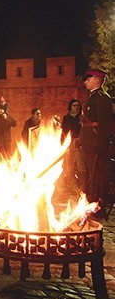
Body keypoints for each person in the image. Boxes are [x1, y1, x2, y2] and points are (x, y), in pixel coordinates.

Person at [78, 69, 112, 210]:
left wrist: (100, 141)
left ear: (96, 79)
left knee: (97, 173)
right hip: (88, 140)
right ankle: (91, 201)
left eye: (88, 79)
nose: (85, 82)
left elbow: (104, 123)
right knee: (92, 173)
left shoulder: (102, 97)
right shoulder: (93, 96)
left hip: (95, 141)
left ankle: (98, 204)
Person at [61, 99, 83, 187]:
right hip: (69, 141)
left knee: (79, 162)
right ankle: (71, 183)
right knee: (69, 163)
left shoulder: (81, 117)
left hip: (79, 140)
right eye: (74, 105)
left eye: (77, 105)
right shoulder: (66, 118)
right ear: (70, 106)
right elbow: (64, 131)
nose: (76, 107)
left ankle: (81, 185)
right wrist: (63, 143)